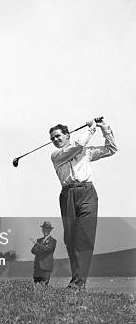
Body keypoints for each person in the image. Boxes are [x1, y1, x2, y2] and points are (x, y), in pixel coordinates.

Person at [49, 117, 117, 290]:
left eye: (58, 136)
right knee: (71, 239)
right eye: (53, 138)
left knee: (84, 237)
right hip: (67, 195)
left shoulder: (85, 151)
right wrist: (91, 128)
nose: (55, 140)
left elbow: (111, 149)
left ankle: (78, 283)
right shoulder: (56, 155)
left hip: (87, 193)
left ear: (67, 135)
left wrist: (103, 128)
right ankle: (77, 279)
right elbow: (77, 146)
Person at [29, 221, 57, 285]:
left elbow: (48, 249)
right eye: (44, 229)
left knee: (43, 285)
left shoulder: (53, 241)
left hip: (46, 268)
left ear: (50, 230)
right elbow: (33, 250)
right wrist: (42, 249)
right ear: (42, 229)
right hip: (37, 267)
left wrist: (37, 244)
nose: (45, 230)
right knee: (36, 286)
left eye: (47, 229)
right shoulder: (39, 240)